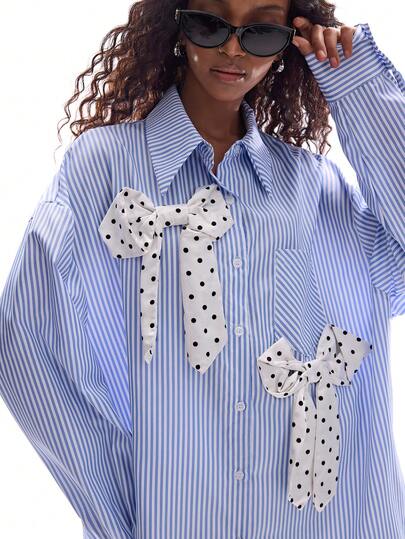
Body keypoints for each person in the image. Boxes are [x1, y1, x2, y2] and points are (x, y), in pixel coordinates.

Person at [1, 0, 404, 538]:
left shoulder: (316, 185)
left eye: (261, 32)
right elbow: (29, 343)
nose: (233, 49)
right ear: (178, 21)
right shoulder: (105, 170)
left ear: (286, 42)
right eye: (210, 24)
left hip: (329, 519)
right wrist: (124, 510)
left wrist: (358, 87)